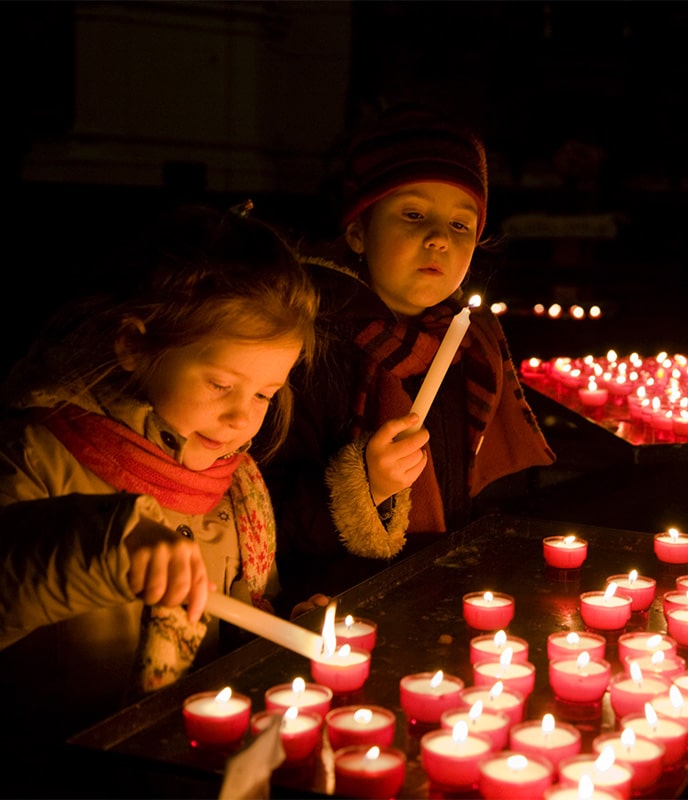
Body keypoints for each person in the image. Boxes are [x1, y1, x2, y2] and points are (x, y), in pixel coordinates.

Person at [0, 201, 324, 742]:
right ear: (134, 345)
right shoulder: (36, 452)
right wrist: (110, 544)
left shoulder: (239, 487)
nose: (241, 415)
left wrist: (286, 632)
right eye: (220, 384)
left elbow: (236, 626)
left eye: (266, 393)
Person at [262, 105, 555, 614]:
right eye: (414, 215)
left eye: (462, 225)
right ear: (357, 233)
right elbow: (259, 512)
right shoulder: (305, 347)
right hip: (333, 610)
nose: (440, 238)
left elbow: (489, 493)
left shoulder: (473, 346)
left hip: (443, 600)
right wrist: (365, 487)